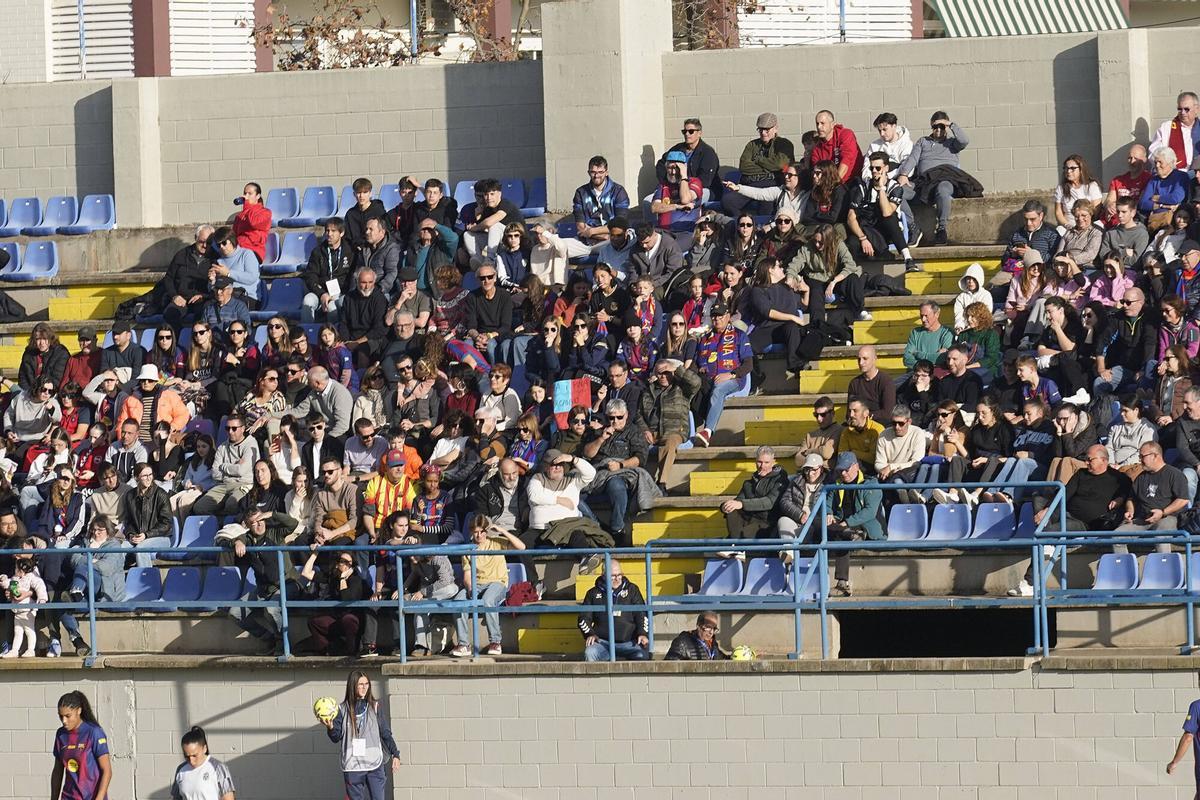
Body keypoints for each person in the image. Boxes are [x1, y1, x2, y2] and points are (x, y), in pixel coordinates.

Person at [1008, 444, 1131, 597]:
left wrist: (1121, 498)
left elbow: (1130, 493)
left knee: (1045, 535)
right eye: (1085, 459)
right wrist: (1047, 510)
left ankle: (1030, 583)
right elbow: (1064, 494)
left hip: (1085, 523)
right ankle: (1050, 540)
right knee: (1039, 501)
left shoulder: (1118, 478)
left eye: (1090, 459)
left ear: (1104, 460)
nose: (1086, 462)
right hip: (1067, 513)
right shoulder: (1081, 474)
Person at [322, 671, 402, 800]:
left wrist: (395, 754)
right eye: (360, 684)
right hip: (352, 765)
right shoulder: (341, 709)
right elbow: (336, 737)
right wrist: (330, 727)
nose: (364, 687)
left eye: (366, 684)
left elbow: (385, 732)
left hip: (374, 764)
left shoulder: (374, 706)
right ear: (352, 686)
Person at [897, 111, 973, 245]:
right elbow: (912, 159)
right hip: (923, 183)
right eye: (935, 127)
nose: (938, 129)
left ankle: (942, 229)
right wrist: (903, 174)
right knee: (897, 192)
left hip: (944, 180)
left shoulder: (952, 143)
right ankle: (913, 227)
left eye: (941, 127)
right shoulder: (923, 141)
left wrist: (950, 124)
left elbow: (964, 140)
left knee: (943, 188)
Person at [458, 515, 524, 657]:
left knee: (488, 600)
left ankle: (495, 641)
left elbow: (521, 547)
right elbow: (467, 577)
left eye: (482, 531)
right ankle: (464, 644)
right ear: (471, 532)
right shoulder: (468, 550)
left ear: (486, 531)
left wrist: (501, 530)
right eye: (476, 532)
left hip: (497, 583)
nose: (479, 535)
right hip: (477, 585)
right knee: (458, 600)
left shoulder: (496, 542)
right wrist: (470, 588)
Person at [846, 151, 921, 272]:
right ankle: (857, 275)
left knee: (889, 218)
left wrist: (881, 188)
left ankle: (908, 258)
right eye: (871, 168)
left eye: (878, 168)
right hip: (868, 229)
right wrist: (863, 238)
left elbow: (887, 212)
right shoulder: (863, 187)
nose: (874, 171)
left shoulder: (895, 188)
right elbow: (851, 217)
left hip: (888, 231)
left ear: (886, 168)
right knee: (852, 242)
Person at [692, 301, 753, 447]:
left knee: (719, 388)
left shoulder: (739, 335)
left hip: (734, 379)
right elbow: (696, 362)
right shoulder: (705, 338)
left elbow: (749, 364)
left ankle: (707, 431)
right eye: (714, 317)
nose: (717, 319)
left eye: (720, 316)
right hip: (708, 379)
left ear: (727, 316)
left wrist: (731, 374)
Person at [824, 451, 883, 598]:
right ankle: (806, 581)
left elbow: (869, 512)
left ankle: (842, 583)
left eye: (846, 469)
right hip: (842, 526)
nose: (843, 473)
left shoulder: (871, 484)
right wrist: (828, 513)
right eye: (840, 470)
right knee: (816, 529)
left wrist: (846, 523)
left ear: (856, 466)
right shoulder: (836, 484)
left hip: (864, 527)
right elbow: (827, 503)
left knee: (841, 538)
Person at [1115, 442, 1191, 553]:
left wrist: (1163, 512)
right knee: (1116, 538)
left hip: (1167, 518)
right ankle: (1124, 568)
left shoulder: (1174, 474)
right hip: (1142, 519)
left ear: (1156, 456)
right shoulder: (1141, 477)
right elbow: (1131, 498)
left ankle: (1164, 568)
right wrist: (1130, 511)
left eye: (1142, 456)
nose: (1140, 459)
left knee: (1160, 537)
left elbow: (1183, 499)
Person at [722, 112, 795, 216]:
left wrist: (758, 160)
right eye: (760, 129)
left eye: (767, 129)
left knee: (767, 202)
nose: (763, 133)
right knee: (727, 201)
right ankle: (745, 224)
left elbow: (780, 164)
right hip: (750, 184)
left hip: (772, 184)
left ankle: (763, 227)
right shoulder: (752, 145)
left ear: (776, 128)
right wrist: (768, 167)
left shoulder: (784, 144)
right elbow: (744, 166)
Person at [578, 561, 650, 662]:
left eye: (619, 575)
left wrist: (642, 633)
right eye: (613, 575)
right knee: (590, 653)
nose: (617, 579)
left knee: (643, 654)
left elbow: (642, 614)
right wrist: (589, 634)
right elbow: (583, 618)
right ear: (603, 575)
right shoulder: (593, 593)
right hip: (603, 643)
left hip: (631, 642)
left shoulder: (632, 589)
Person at [193, 413, 259, 516]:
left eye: (234, 428)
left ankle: (225, 523)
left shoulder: (250, 444)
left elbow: (241, 471)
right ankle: (217, 522)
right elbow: (215, 474)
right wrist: (233, 467)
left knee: (231, 504)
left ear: (243, 428)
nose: (230, 432)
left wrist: (223, 466)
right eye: (227, 428)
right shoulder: (222, 447)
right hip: (223, 485)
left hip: (243, 484)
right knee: (199, 507)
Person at [52, 691, 113, 800]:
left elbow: (107, 771)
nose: (64, 721)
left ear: (79, 710)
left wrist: (99, 798)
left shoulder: (94, 732)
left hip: (91, 797)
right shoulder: (61, 735)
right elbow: (57, 771)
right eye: (61, 716)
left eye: (68, 716)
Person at [722, 445, 787, 541]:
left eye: (766, 462)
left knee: (745, 532)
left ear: (773, 462)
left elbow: (769, 502)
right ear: (755, 461)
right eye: (759, 462)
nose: (762, 466)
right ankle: (735, 544)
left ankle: (734, 545)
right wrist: (725, 506)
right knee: (732, 509)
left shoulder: (780, 480)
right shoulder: (748, 483)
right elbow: (738, 501)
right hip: (749, 520)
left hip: (767, 523)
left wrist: (742, 504)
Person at [121, 462, 173, 570]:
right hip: (138, 537)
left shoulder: (161, 494)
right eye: (145, 476)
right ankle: (119, 584)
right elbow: (128, 521)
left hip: (161, 537)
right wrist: (130, 535)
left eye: (150, 475)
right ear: (136, 478)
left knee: (141, 549)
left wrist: (146, 535)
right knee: (120, 548)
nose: (149, 478)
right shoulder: (130, 495)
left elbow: (166, 524)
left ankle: (146, 581)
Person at [302, 217, 354, 323]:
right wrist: (322, 293)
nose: (329, 234)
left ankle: (333, 336)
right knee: (307, 301)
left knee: (332, 307)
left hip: (340, 292)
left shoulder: (350, 252)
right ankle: (306, 333)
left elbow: (351, 276)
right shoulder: (318, 252)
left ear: (342, 233)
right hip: (320, 291)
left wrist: (337, 293)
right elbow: (310, 276)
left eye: (333, 231)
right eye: (327, 230)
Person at [656, 117, 720, 194]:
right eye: (684, 131)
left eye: (691, 131)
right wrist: (668, 183)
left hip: (703, 190)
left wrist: (685, 187)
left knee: (686, 199)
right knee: (648, 201)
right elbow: (661, 164)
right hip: (677, 188)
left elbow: (705, 181)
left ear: (699, 133)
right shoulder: (678, 148)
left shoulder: (708, 153)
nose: (687, 134)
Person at [170, 725, 236, 800]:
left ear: (204, 748)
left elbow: (228, 798)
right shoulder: (181, 769)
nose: (191, 760)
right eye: (187, 756)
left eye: (194, 755)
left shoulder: (218, 768)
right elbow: (176, 798)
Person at [209, 226, 261, 310]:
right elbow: (213, 289)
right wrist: (212, 281)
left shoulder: (246, 254)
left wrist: (229, 273)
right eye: (218, 245)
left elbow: (252, 277)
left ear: (232, 240)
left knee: (227, 307)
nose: (221, 246)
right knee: (207, 306)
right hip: (224, 297)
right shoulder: (219, 261)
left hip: (246, 296)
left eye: (224, 243)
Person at [1150, 91, 1200, 177]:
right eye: (1180, 109)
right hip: (1172, 176)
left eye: (1186, 109)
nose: (1183, 113)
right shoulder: (1166, 128)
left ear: (1197, 109)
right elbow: (1153, 153)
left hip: (1196, 177)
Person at [810, 109, 863, 184]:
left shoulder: (845, 134)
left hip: (852, 182)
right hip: (829, 185)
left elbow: (846, 160)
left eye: (822, 123)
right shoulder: (817, 148)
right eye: (817, 123)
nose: (819, 127)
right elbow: (817, 170)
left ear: (832, 124)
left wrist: (834, 184)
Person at [1054, 154, 1103, 231]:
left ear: (1081, 169)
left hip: (1089, 225)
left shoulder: (1092, 186)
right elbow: (1058, 212)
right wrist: (1067, 226)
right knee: (1059, 231)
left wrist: (1084, 225)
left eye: (1072, 168)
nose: (1068, 171)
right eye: (1066, 168)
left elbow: (1096, 210)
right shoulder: (1061, 188)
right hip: (1069, 226)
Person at [19, 323, 70, 394]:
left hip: (51, 393)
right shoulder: (29, 353)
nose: (42, 343)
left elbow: (56, 381)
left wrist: (41, 393)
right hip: (30, 393)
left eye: (45, 339)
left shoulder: (60, 353)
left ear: (50, 338)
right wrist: (28, 394)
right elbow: (23, 378)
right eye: (38, 339)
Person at [847, 345, 896, 419]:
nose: (861, 363)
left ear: (874, 359)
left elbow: (888, 413)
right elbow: (849, 413)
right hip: (858, 424)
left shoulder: (885, 381)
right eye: (859, 359)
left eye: (865, 359)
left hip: (881, 425)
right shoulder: (854, 383)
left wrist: (864, 416)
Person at [903, 301, 953, 371]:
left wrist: (917, 354)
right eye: (921, 316)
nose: (923, 319)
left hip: (936, 374)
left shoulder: (947, 333)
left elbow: (942, 358)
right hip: (915, 373)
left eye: (926, 316)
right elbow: (906, 359)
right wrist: (924, 366)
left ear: (937, 314)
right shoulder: (915, 332)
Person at [1102, 197, 1150, 270]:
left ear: (1133, 212)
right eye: (1118, 212)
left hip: (1131, 273)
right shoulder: (1110, 233)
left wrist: (1113, 254)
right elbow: (1103, 256)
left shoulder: (1142, 234)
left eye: (1124, 212)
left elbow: (1135, 261)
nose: (1120, 215)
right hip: (1109, 271)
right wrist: (1124, 252)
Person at [344, 177, 388, 252]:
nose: (361, 196)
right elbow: (348, 238)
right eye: (358, 192)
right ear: (354, 194)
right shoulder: (350, 214)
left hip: (376, 248)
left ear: (370, 193)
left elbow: (383, 232)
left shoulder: (378, 210)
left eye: (365, 192)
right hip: (357, 250)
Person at [231, 182, 271, 263]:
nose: (246, 196)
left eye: (250, 193)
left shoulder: (265, 212)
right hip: (239, 249)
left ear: (258, 196)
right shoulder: (240, 216)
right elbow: (234, 234)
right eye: (245, 193)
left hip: (254, 250)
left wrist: (248, 206)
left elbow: (253, 223)